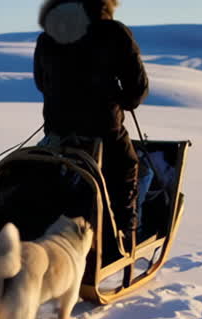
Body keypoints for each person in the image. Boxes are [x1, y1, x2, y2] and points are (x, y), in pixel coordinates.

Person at [33, 0, 148, 246]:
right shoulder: (115, 32)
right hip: (103, 131)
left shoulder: (48, 36)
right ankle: (124, 236)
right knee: (127, 164)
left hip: (57, 132)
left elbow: (41, 83)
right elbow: (137, 90)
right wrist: (120, 97)